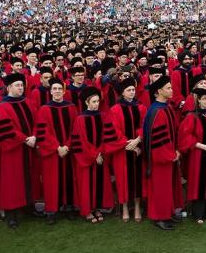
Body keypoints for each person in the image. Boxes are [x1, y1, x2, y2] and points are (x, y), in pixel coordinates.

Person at [71, 86, 126, 223]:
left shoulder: (103, 116)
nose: (96, 104)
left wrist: (101, 152)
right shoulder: (80, 119)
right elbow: (80, 142)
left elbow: (107, 137)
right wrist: (95, 155)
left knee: (98, 184)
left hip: (102, 156)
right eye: (93, 102)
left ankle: (96, 208)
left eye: (97, 102)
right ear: (86, 103)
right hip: (87, 159)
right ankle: (87, 211)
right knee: (86, 184)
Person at [0, 73, 38, 228]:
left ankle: (29, 206)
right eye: (17, 85)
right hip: (13, 151)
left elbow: (37, 120)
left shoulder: (28, 102)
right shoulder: (3, 106)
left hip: (29, 147)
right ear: (8, 88)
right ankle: (11, 214)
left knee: (29, 177)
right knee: (12, 181)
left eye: (22, 85)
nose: (20, 88)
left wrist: (34, 135)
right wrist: (26, 139)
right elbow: (7, 130)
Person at [34, 78, 78, 224]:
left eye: (60, 89)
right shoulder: (44, 109)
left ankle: (69, 207)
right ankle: (51, 211)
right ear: (51, 91)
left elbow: (75, 130)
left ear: (64, 91)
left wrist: (67, 146)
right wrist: (57, 147)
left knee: (69, 178)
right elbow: (42, 132)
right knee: (51, 181)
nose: (58, 91)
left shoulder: (71, 107)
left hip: (68, 151)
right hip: (52, 153)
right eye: (55, 89)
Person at [142, 76, 182, 230]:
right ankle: (159, 217)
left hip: (169, 154)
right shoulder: (157, 111)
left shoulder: (166, 107)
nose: (172, 90)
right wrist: (171, 154)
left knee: (168, 187)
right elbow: (159, 140)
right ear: (159, 91)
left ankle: (168, 212)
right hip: (160, 159)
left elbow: (173, 132)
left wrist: (176, 150)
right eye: (169, 88)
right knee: (161, 188)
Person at [178, 88, 206, 223]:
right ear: (198, 100)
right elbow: (185, 137)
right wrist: (204, 147)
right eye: (204, 99)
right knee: (199, 182)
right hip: (198, 155)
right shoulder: (192, 116)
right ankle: (198, 214)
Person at [108, 78, 146, 223]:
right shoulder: (115, 109)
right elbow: (114, 130)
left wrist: (137, 140)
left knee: (138, 180)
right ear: (122, 93)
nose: (132, 92)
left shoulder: (141, 107)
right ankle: (124, 207)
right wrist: (127, 143)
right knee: (123, 180)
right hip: (121, 151)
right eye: (128, 90)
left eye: (133, 90)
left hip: (138, 149)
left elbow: (145, 125)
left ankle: (137, 207)